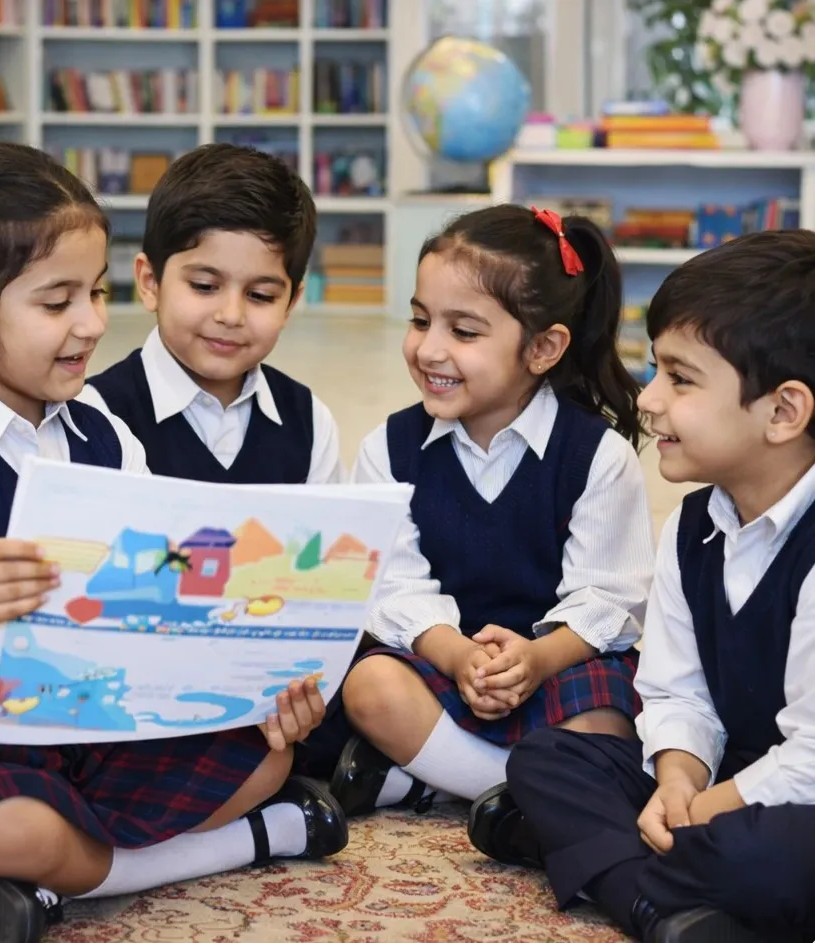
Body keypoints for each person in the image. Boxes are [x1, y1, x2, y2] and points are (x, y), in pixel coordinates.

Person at [0, 143, 345, 943]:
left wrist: (247, 665)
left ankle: (46, 883)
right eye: (57, 303)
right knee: (13, 832)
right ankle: (239, 843)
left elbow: (154, 596)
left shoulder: (102, 433)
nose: (93, 323)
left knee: (265, 753)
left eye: (95, 292)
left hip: (85, 730)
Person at [472, 230, 815, 943]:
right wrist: (679, 782)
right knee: (550, 756)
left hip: (796, 795)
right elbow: (677, 691)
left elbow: (811, 758)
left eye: (680, 379)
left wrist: (706, 806)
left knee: (760, 857)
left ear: (783, 411)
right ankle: (670, 910)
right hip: (736, 774)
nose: (648, 399)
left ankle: (590, 861)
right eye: (654, 369)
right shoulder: (695, 524)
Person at [330, 204, 654, 817]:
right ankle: (519, 794)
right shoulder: (387, 449)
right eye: (420, 320)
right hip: (441, 663)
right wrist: (457, 655)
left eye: (464, 331)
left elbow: (608, 598)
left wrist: (535, 659)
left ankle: (430, 780)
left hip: (554, 665)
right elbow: (392, 587)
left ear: (543, 348)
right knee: (369, 687)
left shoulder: (597, 457)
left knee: (609, 719)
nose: (429, 349)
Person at [81, 143, 343, 487]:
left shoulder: (311, 422)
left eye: (260, 295)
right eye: (204, 286)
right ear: (150, 282)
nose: (231, 315)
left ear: (291, 303)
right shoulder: (91, 416)